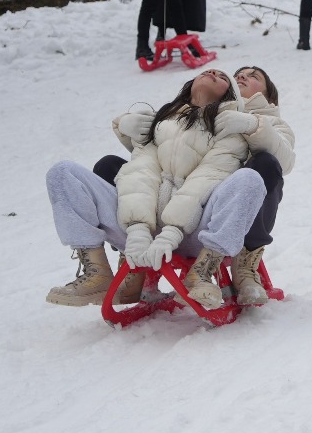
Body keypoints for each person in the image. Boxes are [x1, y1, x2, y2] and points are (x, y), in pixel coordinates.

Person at [44, 66, 265, 312]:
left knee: (249, 180)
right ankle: (96, 273)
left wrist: (171, 232)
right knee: (63, 173)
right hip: (139, 230)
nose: (214, 74)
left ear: (230, 95)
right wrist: (138, 229)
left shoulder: (229, 131)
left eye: (223, 77)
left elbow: (206, 179)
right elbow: (140, 173)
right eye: (208, 71)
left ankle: (202, 272)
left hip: (195, 233)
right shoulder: (161, 122)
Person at [88, 66, 294, 306]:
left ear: (269, 97)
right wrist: (126, 127)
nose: (242, 77)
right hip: (174, 202)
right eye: (238, 75)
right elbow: (156, 159)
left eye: (254, 76)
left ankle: (245, 261)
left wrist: (251, 126)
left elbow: (285, 160)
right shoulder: (195, 108)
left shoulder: (270, 122)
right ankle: (132, 257)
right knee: (110, 168)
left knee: (264, 166)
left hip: (219, 207)